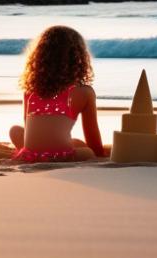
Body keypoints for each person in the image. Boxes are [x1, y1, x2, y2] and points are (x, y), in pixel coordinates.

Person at [9, 26, 106, 162]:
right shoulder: (84, 92)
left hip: (31, 155)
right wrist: (99, 155)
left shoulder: (30, 91)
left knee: (15, 130)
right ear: (79, 58)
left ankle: (40, 153)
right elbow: (92, 136)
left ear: (39, 57)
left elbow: (29, 130)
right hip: (63, 157)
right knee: (87, 151)